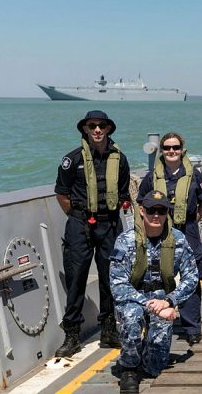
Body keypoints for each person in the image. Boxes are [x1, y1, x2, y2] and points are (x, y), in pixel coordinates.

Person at [54, 110, 131, 357]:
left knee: (111, 278)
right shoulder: (71, 159)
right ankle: (72, 336)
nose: (97, 130)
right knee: (76, 279)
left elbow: (122, 191)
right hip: (79, 224)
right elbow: (62, 194)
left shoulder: (120, 160)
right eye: (92, 126)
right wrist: (78, 218)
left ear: (108, 129)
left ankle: (109, 330)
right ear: (85, 129)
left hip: (108, 224)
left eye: (102, 126)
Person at [110, 190, 198, 393]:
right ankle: (129, 368)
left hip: (162, 297)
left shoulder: (178, 239)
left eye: (161, 210)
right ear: (142, 211)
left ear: (167, 212)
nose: (156, 215)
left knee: (154, 367)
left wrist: (170, 300)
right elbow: (118, 284)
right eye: (151, 210)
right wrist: (152, 306)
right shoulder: (125, 240)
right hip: (133, 297)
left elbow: (192, 276)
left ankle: (148, 356)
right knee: (132, 318)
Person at [137, 132, 202, 345]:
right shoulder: (152, 177)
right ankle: (159, 316)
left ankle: (192, 326)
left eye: (176, 147)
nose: (171, 151)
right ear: (162, 150)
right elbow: (141, 202)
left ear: (182, 149)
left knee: (193, 275)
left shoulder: (194, 175)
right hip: (161, 229)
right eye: (167, 148)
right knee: (158, 274)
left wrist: (195, 218)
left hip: (188, 228)